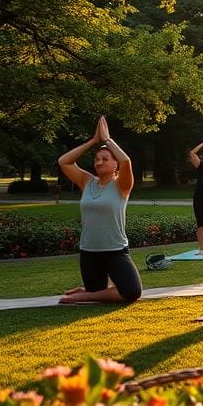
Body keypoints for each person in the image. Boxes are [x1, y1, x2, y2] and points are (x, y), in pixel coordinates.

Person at [57, 116, 143, 304]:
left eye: (105, 159)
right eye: (96, 159)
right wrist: (94, 141)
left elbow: (126, 161)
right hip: (89, 252)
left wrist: (107, 140)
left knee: (131, 292)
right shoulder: (86, 181)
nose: (99, 162)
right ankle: (90, 291)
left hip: (115, 251)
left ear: (115, 165)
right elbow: (64, 162)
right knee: (100, 291)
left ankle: (86, 294)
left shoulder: (122, 185)